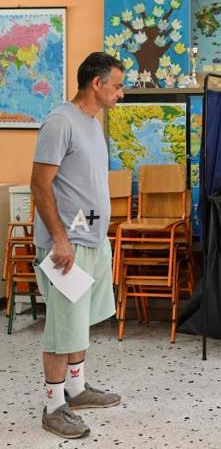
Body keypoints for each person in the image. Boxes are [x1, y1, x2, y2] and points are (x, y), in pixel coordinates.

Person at [31, 52, 125, 438]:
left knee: (81, 321)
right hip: (65, 244)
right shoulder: (60, 121)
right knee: (63, 326)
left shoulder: (92, 123)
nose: (121, 93)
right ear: (97, 84)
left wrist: (97, 234)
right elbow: (40, 184)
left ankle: (77, 387)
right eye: (117, 85)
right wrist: (59, 239)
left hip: (90, 236)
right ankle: (54, 407)